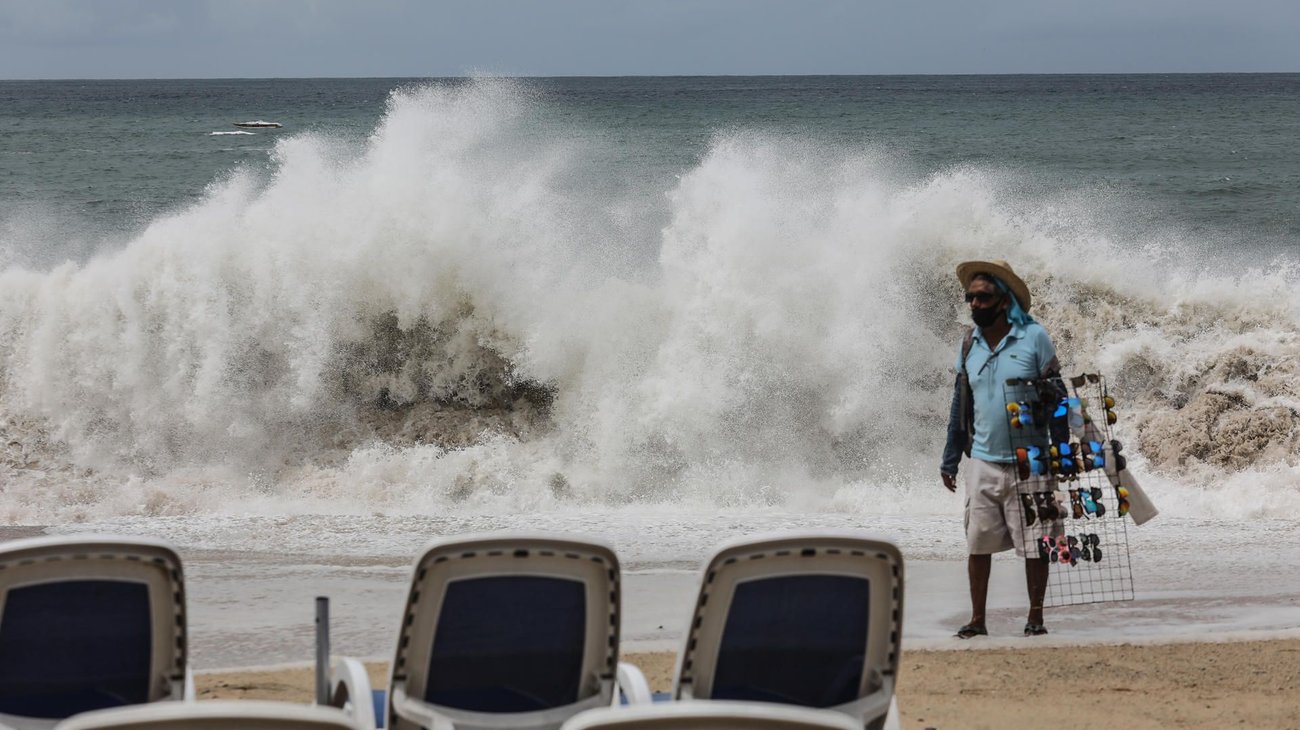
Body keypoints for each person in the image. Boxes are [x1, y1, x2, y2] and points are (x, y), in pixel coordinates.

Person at [941, 260, 1064, 638]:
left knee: (1036, 544)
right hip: (982, 461)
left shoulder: (1035, 338)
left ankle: (1036, 617)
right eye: (970, 298)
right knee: (977, 543)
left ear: (1004, 300)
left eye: (983, 297)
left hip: (1031, 462)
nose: (975, 304)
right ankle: (978, 619)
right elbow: (961, 403)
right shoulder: (968, 344)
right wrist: (950, 456)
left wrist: (1060, 454)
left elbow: (1059, 398)